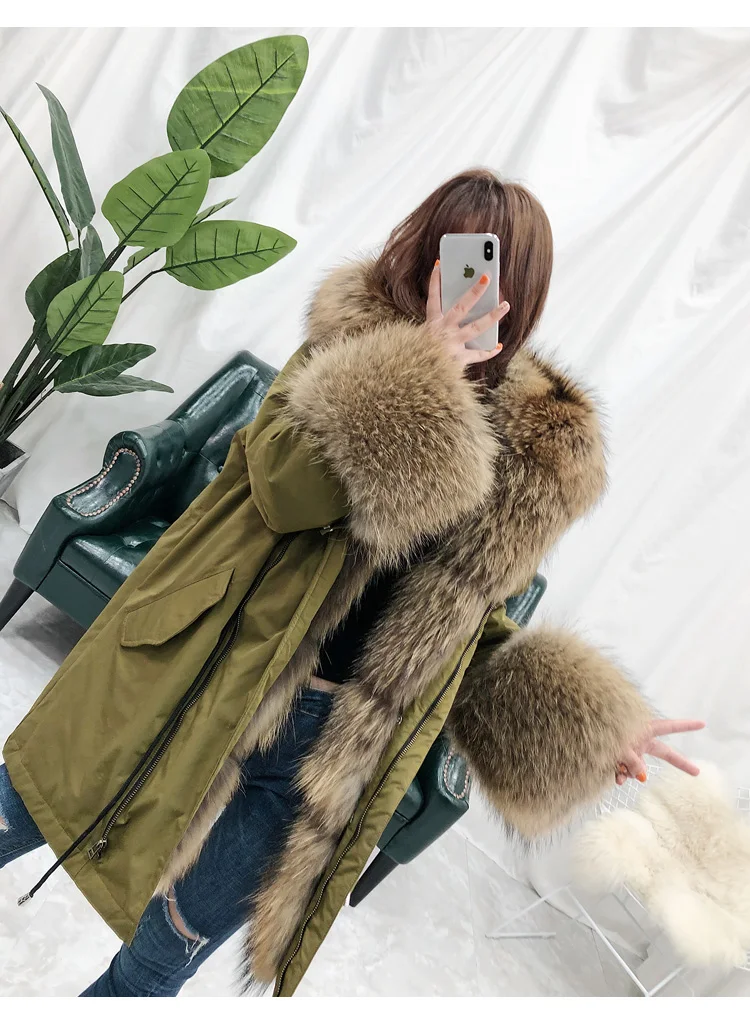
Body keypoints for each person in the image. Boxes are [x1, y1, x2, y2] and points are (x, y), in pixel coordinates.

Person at [0, 168, 704, 997]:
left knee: (156, 968)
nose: (473, 284)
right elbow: (281, 488)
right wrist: (423, 374)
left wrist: (584, 726)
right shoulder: (351, 344)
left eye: (497, 271)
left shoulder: (534, 453)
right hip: (202, 672)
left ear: (526, 292)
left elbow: (463, 620)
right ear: (424, 249)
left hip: (319, 752)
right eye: (457, 255)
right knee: (24, 809)